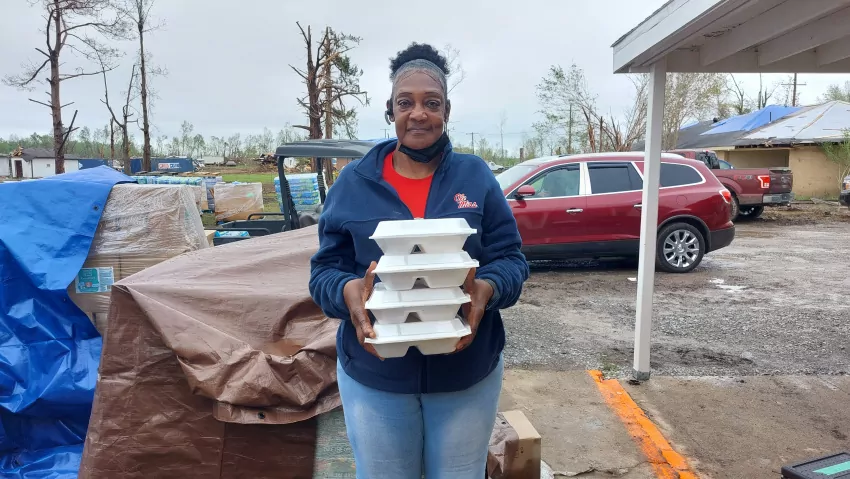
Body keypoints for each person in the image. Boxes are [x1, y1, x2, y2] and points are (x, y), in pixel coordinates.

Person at [309, 43, 529, 479]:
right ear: (390, 111)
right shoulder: (354, 182)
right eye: (405, 102)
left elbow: (511, 259)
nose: (419, 113)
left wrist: (486, 288)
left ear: (447, 109)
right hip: (376, 373)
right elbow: (324, 270)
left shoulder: (475, 177)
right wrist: (346, 291)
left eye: (431, 103)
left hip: (465, 371)